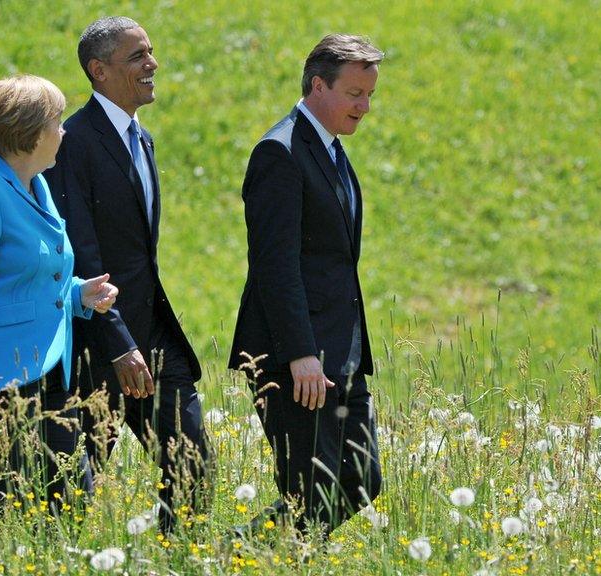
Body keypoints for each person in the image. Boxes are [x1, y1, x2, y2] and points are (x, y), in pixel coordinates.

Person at [44, 16, 210, 533]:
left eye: (151, 52)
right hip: (100, 345)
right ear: (99, 71)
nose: (152, 64)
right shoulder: (71, 141)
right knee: (70, 493)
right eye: (137, 56)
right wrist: (117, 341)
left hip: (153, 332)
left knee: (192, 465)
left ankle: (175, 558)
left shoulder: (144, 138)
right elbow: (82, 251)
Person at [0, 74, 118, 513]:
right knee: (11, 513)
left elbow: (27, 277)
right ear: (29, 133)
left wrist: (78, 295)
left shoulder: (35, 183)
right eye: (56, 122)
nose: (64, 132)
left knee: (72, 505)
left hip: (48, 369)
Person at [227, 34, 384, 537]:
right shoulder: (280, 153)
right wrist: (300, 354)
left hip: (342, 357)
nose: (365, 106)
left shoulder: (330, 150)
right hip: (295, 361)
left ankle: (241, 555)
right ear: (319, 85)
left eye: (370, 95)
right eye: (355, 93)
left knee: (361, 480)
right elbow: (275, 265)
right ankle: (239, 561)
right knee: (311, 492)